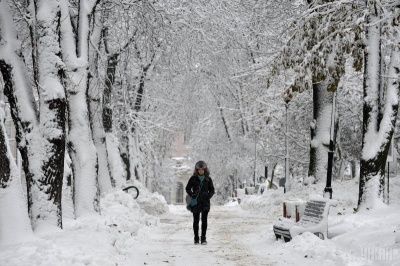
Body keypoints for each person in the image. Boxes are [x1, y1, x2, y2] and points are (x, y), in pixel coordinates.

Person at [185, 160, 215, 245]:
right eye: (199, 169)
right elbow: (187, 188)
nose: (201, 171)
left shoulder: (208, 179)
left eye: (202, 169)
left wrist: (208, 196)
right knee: (196, 220)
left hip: (205, 202)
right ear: (197, 170)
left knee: (204, 221)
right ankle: (196, 239)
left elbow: (212, 190)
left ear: (205, 170)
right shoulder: (193, 178)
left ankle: (203, 239)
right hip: (196, 202)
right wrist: (192, 195)